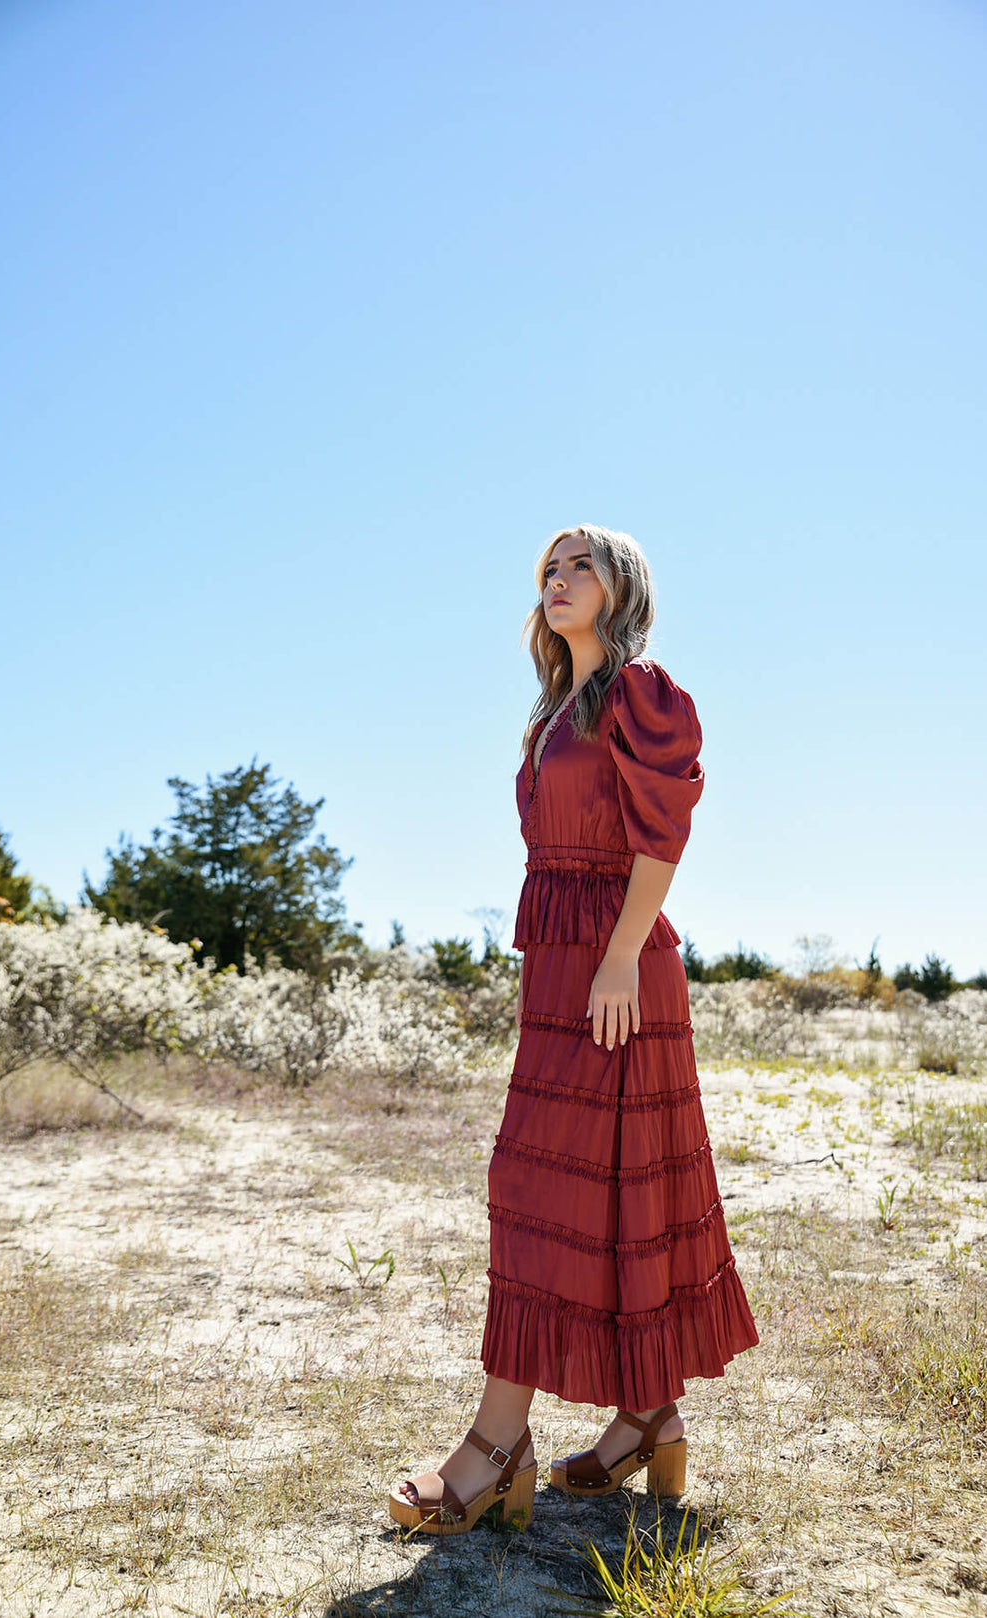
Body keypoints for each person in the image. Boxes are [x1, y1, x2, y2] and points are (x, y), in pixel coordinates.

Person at [389, 525, 759, 1534]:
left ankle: (495, 1440)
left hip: (616, 971)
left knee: (543, 1184)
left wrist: (619, 955)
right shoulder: (555, 711)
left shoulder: (642, 690)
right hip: (566, 969)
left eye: (578, 565)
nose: (557, 581)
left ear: (621, 585)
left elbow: (664, 826)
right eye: (547, 569)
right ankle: (646, 1414)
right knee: (586, 1194)